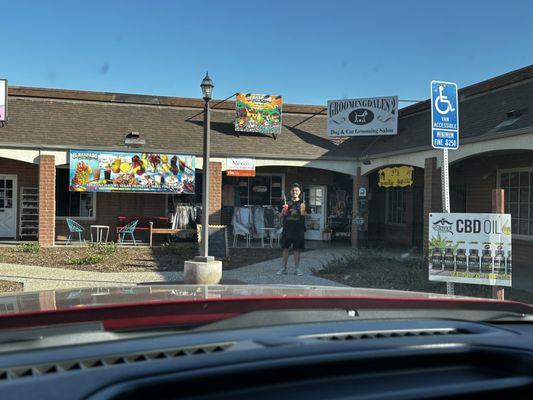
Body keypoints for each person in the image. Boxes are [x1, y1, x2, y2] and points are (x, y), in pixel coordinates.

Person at [277, 183, 306, 276]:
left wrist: (304, 211)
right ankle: (283, 268)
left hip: (299, 230)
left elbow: (306, 215)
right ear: (290, 192)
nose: (295, 192)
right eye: (293, 190)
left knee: (297, 250)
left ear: (299, 192)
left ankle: (297, 269)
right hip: (287, 229)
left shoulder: (303, 203)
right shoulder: (285, 202)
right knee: (285, 249)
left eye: (296, 190)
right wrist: (283, 212)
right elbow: (279, 216)